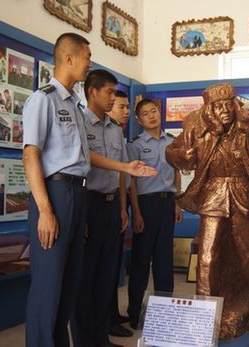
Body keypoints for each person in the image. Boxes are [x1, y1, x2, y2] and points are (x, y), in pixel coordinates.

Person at [22, 32, 156, 347]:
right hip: (55, 194)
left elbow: (85, 157)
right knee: (48, 286)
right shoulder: (43, 99)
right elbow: (31, 154)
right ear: (69, 58)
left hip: (77, 195)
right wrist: (44, 210)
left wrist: (124, 167)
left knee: (69, 286)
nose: (89, 63)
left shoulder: (73, 105)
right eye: (86, 56)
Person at [165, 83, 249, 339]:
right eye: (217, 106)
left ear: (235, 105)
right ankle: (206, 304)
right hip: (213, 194)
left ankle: (248, 294)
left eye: (228, 104)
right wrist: (182, 157)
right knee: (208, 253)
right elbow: (171, 152)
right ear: (210, 108)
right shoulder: (197, 127)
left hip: (244, 194)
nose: (224, 111)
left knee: (245, 251)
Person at [70, 69, 131, 347]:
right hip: (89, 205)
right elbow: (77, 168)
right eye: (109, 92)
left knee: (107, 278)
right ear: (92, 91)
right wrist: (80, 214)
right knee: (86, 278)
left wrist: (122, 208)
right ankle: (84, 341)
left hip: (110, 208)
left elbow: (120, 175)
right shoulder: (79, 122)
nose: (112, 98)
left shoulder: (115, 129)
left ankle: (100, 339)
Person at [126, 99, 182, 330]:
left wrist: (178, 203)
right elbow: (131, 182)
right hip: (145, 205)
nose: (151, 116)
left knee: (164, 262)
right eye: (145, 114)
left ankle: (164, 312)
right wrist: (136, 213)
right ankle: (134, 313)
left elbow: (177, 173)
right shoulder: (135, 145)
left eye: (154, 111)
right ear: (138, 120)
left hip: (167, 204)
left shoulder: (172, 142)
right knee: (141, 261)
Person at [106, 89, 133, 337]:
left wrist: (123, 207)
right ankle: (106, 320)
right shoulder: (98, 129)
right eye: (121, 107)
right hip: (99, 203)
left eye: (127, 107)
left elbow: (122, 174)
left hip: (116, 202)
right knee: (103, 268)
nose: (126, 112)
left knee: (114, 264)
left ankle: (113, 314)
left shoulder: (119, 133)